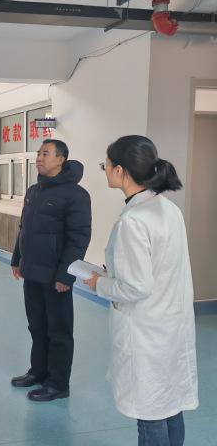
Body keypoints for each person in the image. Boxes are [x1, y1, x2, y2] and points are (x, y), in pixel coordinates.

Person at [84, 135, 198, 446]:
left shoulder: (132, 221)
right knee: (170, 404)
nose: (105, 171)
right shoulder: (168, 209)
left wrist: (98, 283)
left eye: (106, 165)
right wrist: (115, 274)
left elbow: (136, 287)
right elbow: (159, 267)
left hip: (147, 331)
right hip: (171, 324)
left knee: (150, 414)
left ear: (120, 170)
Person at [10, 139, 91, 401]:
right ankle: (38, 372)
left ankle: (58, 384)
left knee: (59, 331)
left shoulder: (76, 195)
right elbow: (25, 228)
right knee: (37, 327)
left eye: (46, 154)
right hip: (32, 272)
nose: (39, 158)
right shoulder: (34, 190)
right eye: (38, 153)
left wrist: (66, 274)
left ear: (60, 160)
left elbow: (78, 238)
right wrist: (17, 258)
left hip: (56, 276)